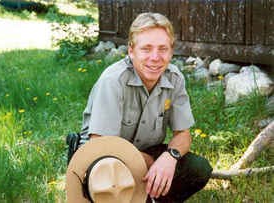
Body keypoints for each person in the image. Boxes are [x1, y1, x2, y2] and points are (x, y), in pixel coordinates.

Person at [75, 12, 213, 202]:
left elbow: (183, 135)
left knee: (198, 169)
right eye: (146, 49)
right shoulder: (113, 80)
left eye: (162, 49)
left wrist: (169, 157)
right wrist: (150, 163)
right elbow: (102, 145)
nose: (155, 57)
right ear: (131, 51)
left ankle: (151, 196)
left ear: (171, 51)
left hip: (147, 152)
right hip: (103, 161)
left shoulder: (175, 78)